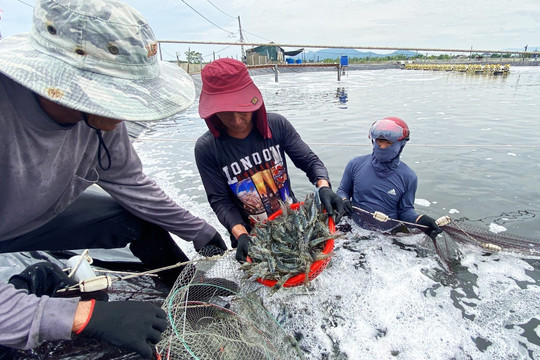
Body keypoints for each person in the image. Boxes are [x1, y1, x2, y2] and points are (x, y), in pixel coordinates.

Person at [0, 0, 227, 358]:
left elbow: (130, 183)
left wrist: (200, 232)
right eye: (116, 93)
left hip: (36, 216)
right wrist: (84, 316)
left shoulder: (102, 119)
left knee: (139, 219)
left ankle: (185, 299)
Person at [194, 58, 344, 263]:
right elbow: (220, 201)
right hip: (252, 239)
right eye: (226, 113)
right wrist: (241, 235)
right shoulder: (206, 149)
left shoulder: (277, 125)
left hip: (293, 224)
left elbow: (309, 161)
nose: (237, 121)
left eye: (242, 109)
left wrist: (324, 186)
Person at [337, 117, 442, 238]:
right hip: (354, 228)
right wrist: (344, 200)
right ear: (373, 141)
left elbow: (405, 211)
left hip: (386, 236)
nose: (382, 147)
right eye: (379, 142)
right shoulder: (355, 164)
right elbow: (343, 190)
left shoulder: (409, 177)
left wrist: (420, 220)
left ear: (401, 144)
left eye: (389, 143)